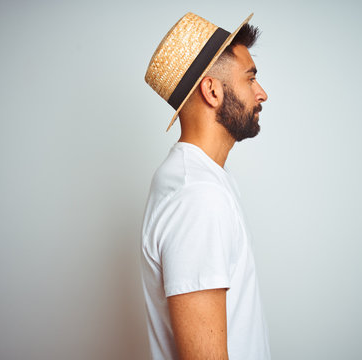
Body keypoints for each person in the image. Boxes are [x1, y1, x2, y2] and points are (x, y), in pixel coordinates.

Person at [141, 12, 270, 359]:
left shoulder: (202, 180)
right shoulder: (197, 197)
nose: (262, 93)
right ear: (212, 90)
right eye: (250, 79)